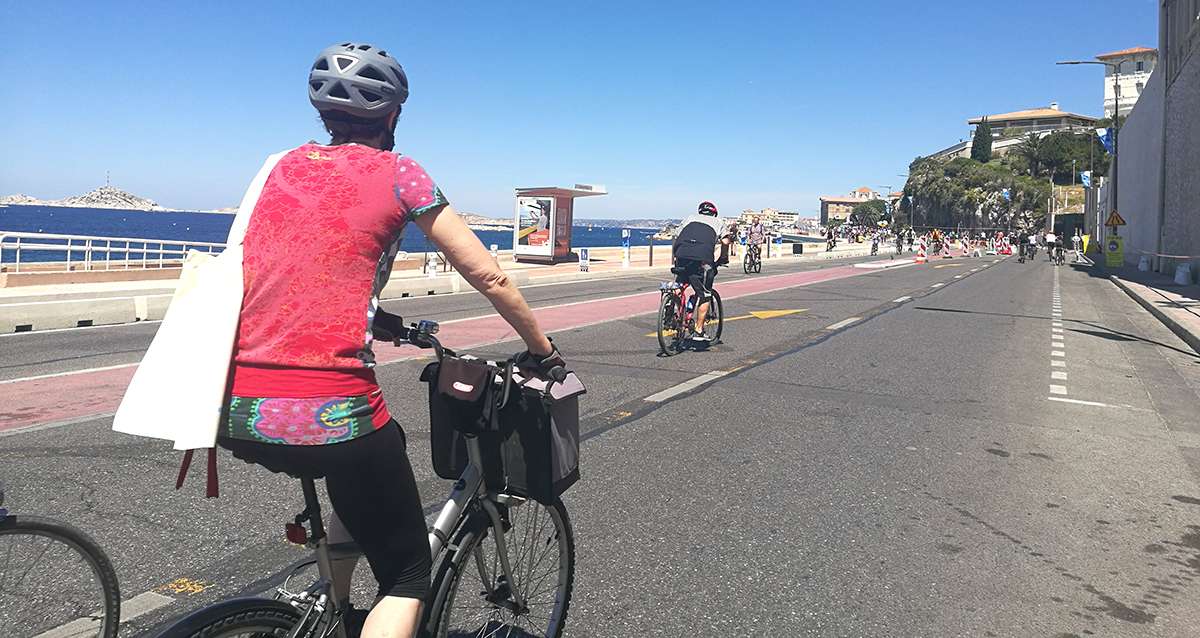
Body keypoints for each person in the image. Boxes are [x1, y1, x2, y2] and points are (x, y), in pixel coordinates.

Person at [215, 42, 565, 638]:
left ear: (322, 115)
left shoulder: (276, 166)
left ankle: (334, 614)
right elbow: (489, 274)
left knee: (373, 458)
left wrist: (387, 326)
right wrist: (544, 350)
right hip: (331, 412)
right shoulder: (400, 172)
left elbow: (298, 277)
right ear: (394, 116)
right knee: (407, 577)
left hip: (234, 407)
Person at [672, 201, 732, 342]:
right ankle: (699, 330)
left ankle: (670, 309)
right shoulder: (719, 222)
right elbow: (725, 242)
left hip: (682, 254)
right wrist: (723, 258)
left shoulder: (690, 218)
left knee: (680, 284)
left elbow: (677, 235)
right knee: (705, 294)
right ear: (714, 212)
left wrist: (677, 255)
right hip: (702, 259)